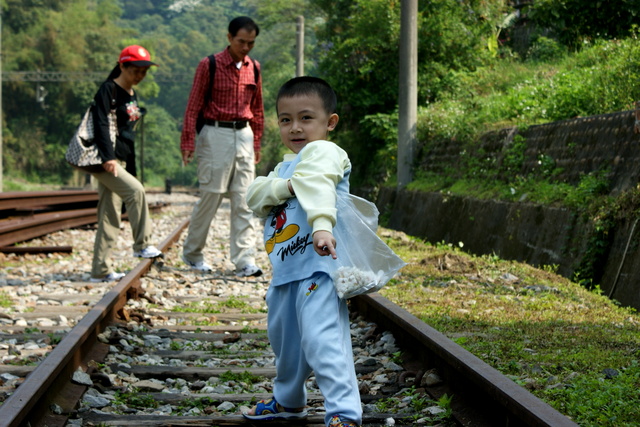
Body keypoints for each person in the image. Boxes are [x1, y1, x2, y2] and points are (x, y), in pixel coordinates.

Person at [244, 77, 362, 427]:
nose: (295, 127)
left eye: (306, 118)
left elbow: (320, 184)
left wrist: (322, 225)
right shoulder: (284, 168)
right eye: (285, 119)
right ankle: (288, 402)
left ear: (330, 122)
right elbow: (254, 196)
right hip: (286, 272)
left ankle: (343, 413)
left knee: (322, 339)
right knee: (286, 344)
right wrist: (286, 184)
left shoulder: (325, 153)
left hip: (318, 268)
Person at [180, 16, 264, 277]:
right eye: (242, 42)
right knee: (211, 196)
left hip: (244, 135)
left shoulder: (255, 68)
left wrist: (257, 141)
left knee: (244, 199)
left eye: (251, 43)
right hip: (215, 133)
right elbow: (194, 104)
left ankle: (244, 259)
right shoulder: (210, 65)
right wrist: (188, 141)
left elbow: (258, 108)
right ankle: (193, 255)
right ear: (229, 38)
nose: (246, 47)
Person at [89, 45, 163, 282]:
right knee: (136, 191)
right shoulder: (108, 89)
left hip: (121, 157)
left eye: (144, 71)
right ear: (122, 66)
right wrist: (108, 157)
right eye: (136, 70)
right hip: (106, 160)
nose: (140, 76)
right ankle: (142, 244)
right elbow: (100, 123)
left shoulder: (132, 93)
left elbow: (128, 133)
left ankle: (100, 270)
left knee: (109, 214)